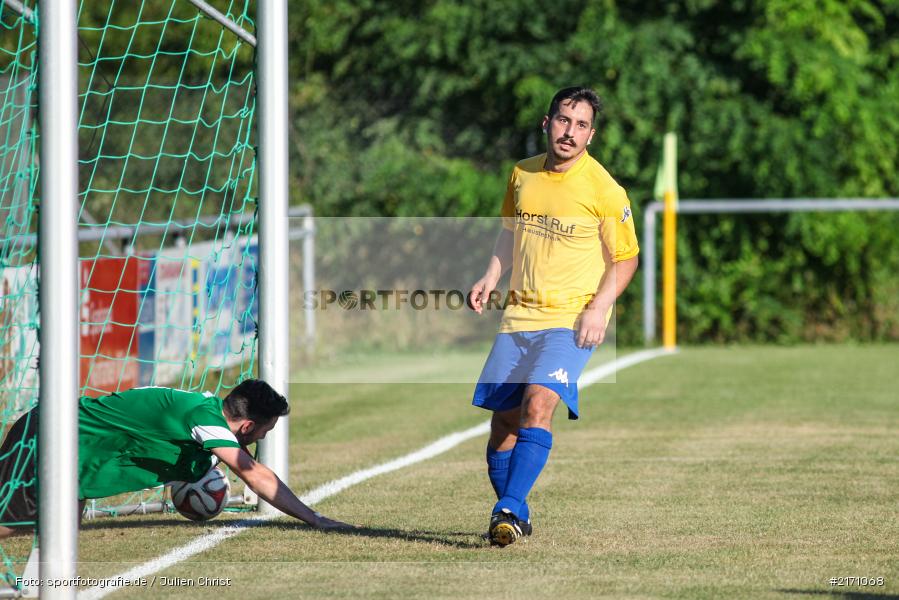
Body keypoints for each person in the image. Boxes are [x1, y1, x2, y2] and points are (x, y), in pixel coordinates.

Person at [468, 87, 640, 546]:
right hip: (519, 317)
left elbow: (626, 259)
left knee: (538, 404)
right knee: (503, 424)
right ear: (547, 123)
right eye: (564, 120)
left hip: (571, 319)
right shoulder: (522, 173)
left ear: (591, 135)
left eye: (581, 125)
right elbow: (510, 232)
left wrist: (598, 308)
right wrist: (491, 276)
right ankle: (514, 514)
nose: (570, 132)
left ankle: (507, 508)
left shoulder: (604, 189)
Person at [0, 379, 349, 537]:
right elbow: (254, 475)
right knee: (14, 525)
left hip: (73, 450)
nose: (263, 438)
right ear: (246, 426)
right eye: (265, 430)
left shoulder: (209, 415)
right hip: (45, 438)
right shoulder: (205, 421)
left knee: (62, 538)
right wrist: (315, 519)